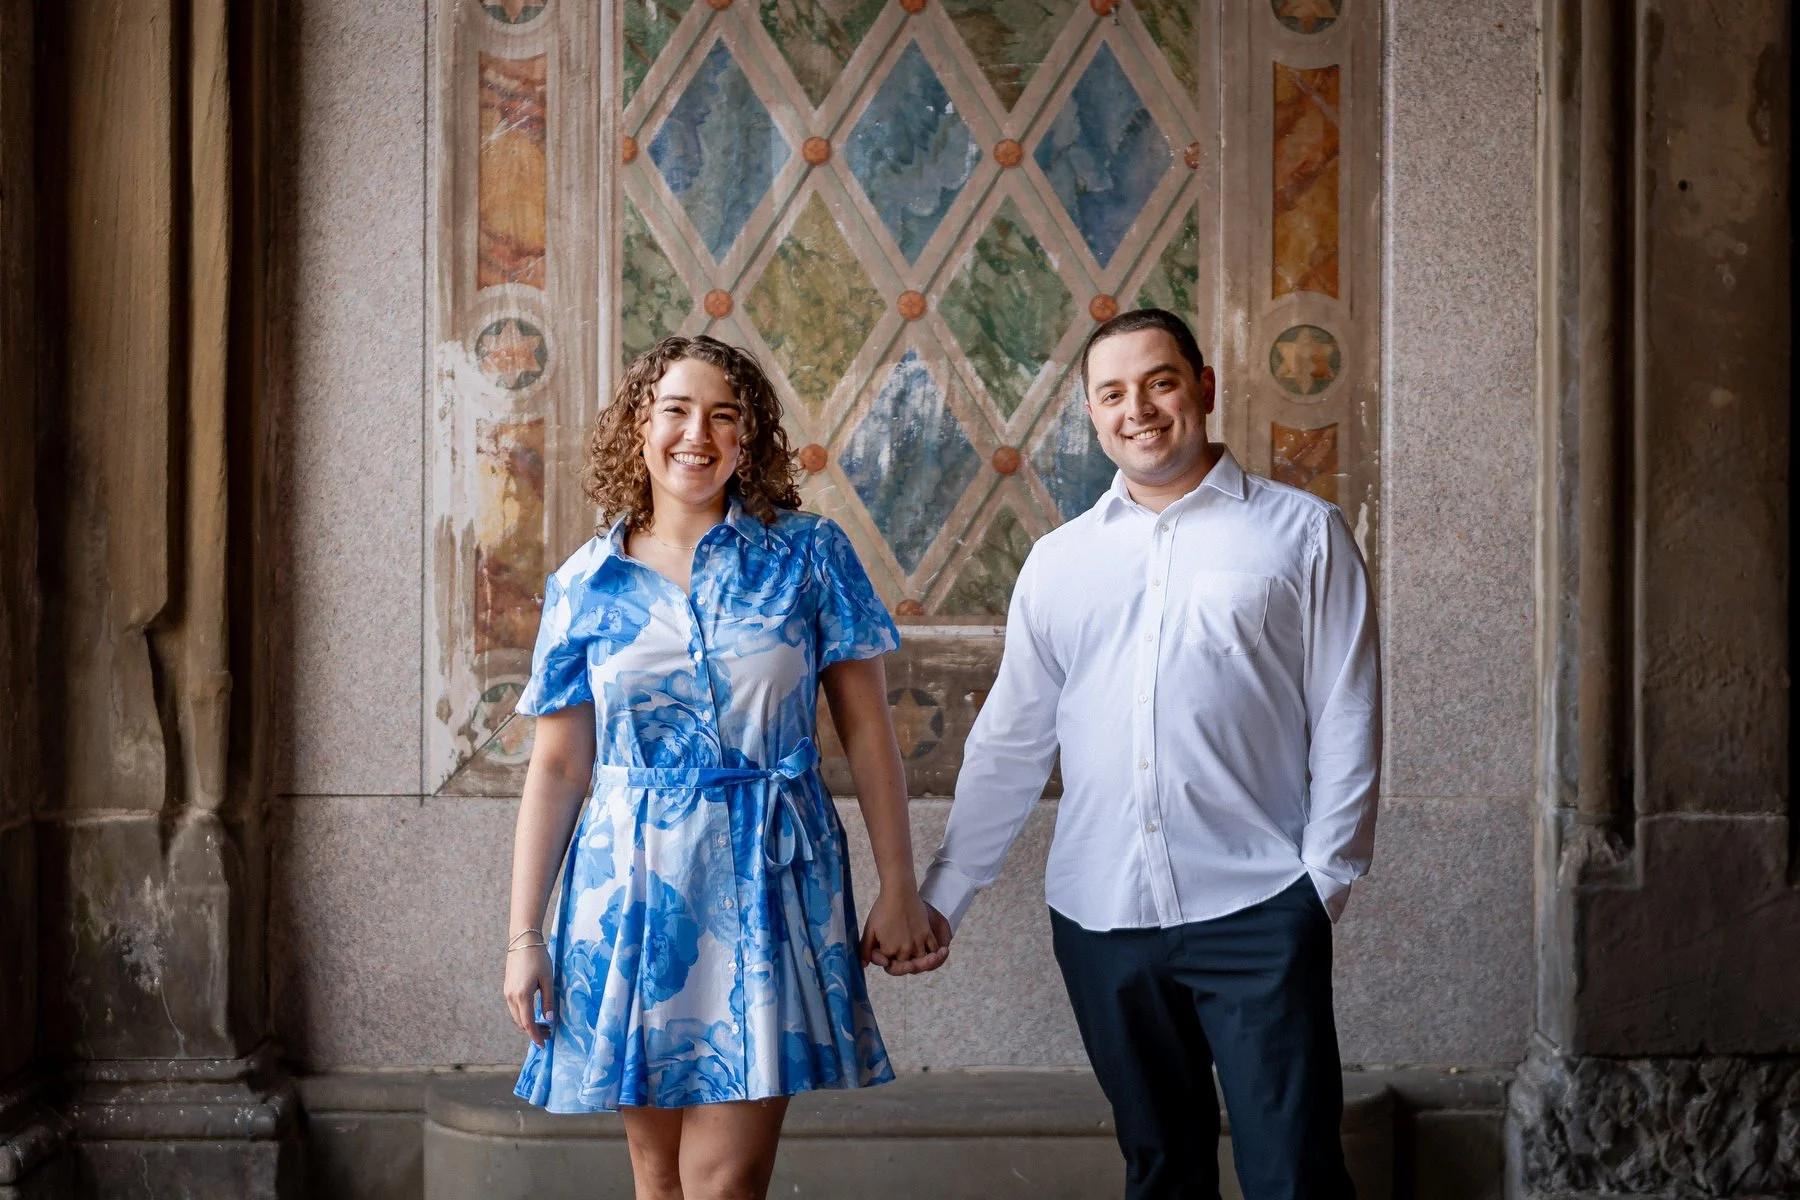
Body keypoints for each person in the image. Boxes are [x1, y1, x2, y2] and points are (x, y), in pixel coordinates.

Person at [907, 309, 1381, 1199]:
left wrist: (1323, 884)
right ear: (1092, 414)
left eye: (1160, 381)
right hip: (1101, 918)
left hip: (1259, 908)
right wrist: (945, 894)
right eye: (1113, 393)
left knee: (1296, 1175)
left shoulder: (1303, 533)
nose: (1140, 409)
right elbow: (1010, 742)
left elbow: (1348, 714)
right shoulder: (1057, 562)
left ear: (1202, 384)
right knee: (1161, 1172)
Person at [501, 334, 947, 1200]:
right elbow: (556, 768)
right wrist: (526, 936)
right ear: (640, 425)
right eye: (675, 410)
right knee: (657, 1177)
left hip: (771, 877)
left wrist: (899, 884)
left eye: (723, 416)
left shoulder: (810, 555)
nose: (695, 433)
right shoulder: (585, 584)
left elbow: (867, 736)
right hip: (631, 889)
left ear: (750, 439)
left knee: (725, 1180)